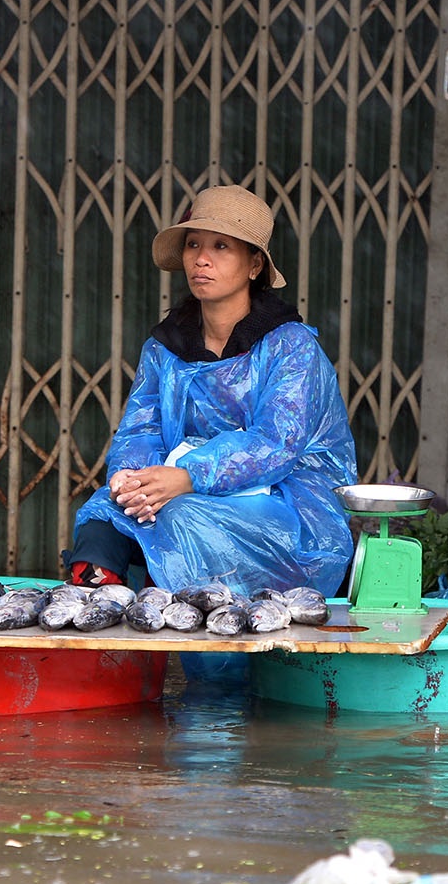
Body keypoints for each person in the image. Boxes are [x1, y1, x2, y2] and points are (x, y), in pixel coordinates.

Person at [65, 184, 358, 595]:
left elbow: (276, 443)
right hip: (174, 486)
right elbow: (140, 429)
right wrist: (130, 479)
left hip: (287, 498)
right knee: (100, 520)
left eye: (221, 246)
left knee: (184, 517)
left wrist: (188, 476)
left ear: (255, 265)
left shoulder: (290, 346)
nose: (202, 259)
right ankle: (112, 639)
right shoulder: (165, 347)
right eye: (193, 245)